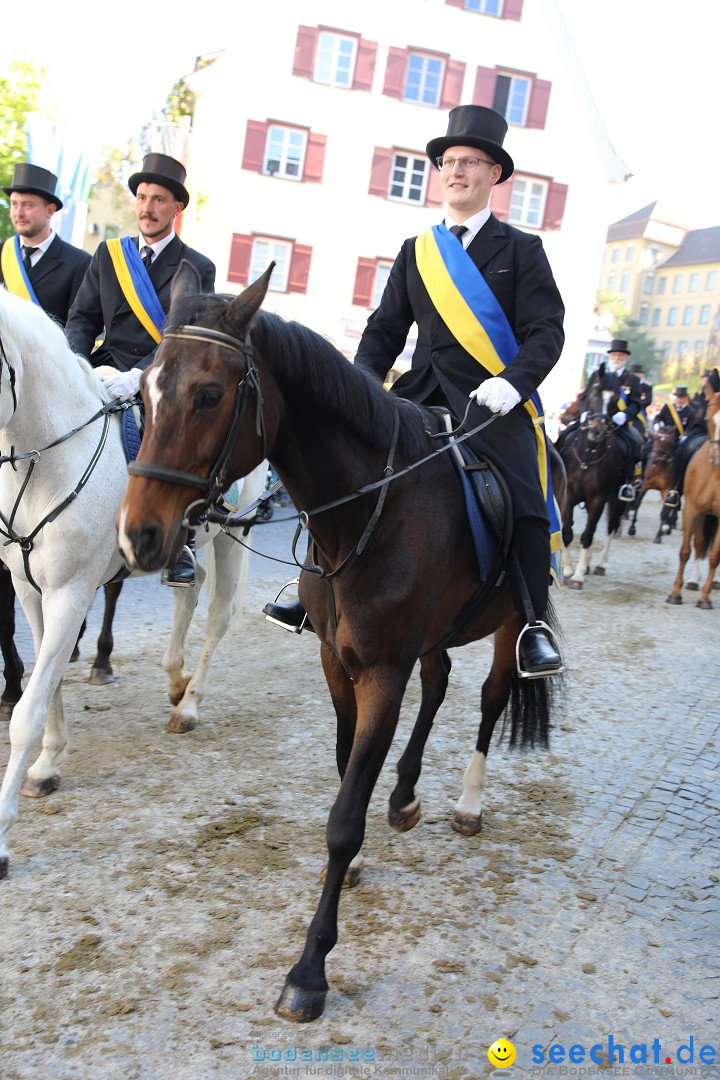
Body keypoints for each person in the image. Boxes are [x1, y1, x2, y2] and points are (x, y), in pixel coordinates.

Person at [264, 105, 565, 677]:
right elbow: (383, 331)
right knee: (338, 467)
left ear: (494, 174)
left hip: (491, 399)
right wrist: (353, 391)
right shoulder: (417, 250)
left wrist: (512, 382)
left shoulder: (521, 250)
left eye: (470, 162)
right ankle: (312, 589)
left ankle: (530, 622)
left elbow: (546, 332)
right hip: (419, 393)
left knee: (525, 488)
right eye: (449, 162)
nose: (456, 171)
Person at [66, 153, 216, 586]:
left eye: (159, 200)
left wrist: (141, 376)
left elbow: (185, 336)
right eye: (143, 197)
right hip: (103, 370)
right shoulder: (110, 255)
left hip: (163, 376)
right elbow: (81, 319)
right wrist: (79, 366)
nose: (147, 207)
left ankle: (180, 541)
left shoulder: (196, 266)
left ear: (176, 208)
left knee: (175, 439)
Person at [1, 163, 90, 326]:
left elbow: (78, 327)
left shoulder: (79, 263)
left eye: (27, 205)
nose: (19, 213)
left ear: (50, 210)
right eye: (14, 204)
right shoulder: (2, 252)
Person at [664, 376, 718, 510]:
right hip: (703, 428)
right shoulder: (715, 379)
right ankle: (675, 490)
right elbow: (699, 414)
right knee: (680, 450)